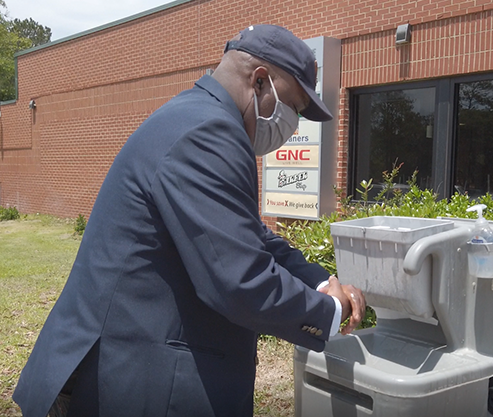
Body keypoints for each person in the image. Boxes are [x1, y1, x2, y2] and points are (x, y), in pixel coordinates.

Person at [12, 24, 366, 417]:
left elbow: (252, 238)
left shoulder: (200, 119)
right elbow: (240, 280)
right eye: (294, 107)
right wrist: (327, 313)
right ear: (261, 81)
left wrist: (318, 280)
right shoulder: (208, 133)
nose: (293, 124)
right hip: (115, 381)